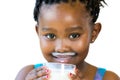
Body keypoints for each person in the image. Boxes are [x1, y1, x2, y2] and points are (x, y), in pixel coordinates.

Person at [15, 0, 120, 80]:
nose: (61, 48)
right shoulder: (26, 75)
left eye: (74, 35)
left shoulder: (108, 78)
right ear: (38, 33)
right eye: (50, 36)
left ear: (94, 33)